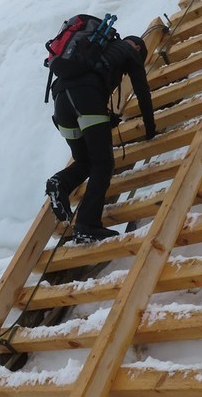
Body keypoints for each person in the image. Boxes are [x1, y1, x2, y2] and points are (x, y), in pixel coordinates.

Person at [45, 34, 156, 243]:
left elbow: (90, 86)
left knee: (85, 161)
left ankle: (59, 182)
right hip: (86, 99)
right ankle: (87, 225)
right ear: (138, 48)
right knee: (103, 164)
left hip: (61, 104)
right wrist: (150, 129)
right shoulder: (130, 50)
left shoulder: (96, 52)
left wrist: (105, 117)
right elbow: (142, 91)